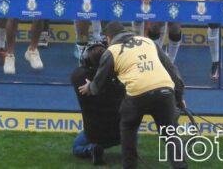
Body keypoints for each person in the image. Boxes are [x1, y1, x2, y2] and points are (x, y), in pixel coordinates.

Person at [78, 21, 186, 169]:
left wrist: (88, 87)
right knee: (171, 133)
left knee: (128, 129)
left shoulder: (112, 51)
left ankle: (130, 166)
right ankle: (180, 166)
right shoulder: (148, 42)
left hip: (137, 94)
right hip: (165, 90)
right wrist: (178, 99)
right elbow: (173, 71)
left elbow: (97, 85)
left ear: (109, 38)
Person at [70, 41, 124, 165]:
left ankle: (91, 149)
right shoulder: (118, 79)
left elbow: (85, 73)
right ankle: (130, 147)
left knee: (77, 148)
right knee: (131, 125)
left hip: (95, 135)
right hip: (121, 132)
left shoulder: (77, 77)